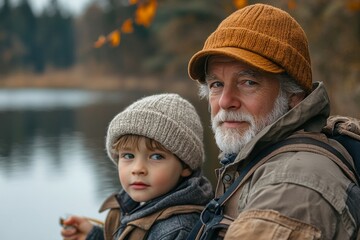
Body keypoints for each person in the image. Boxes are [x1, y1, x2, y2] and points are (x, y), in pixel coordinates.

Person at [187, 3, 359, 240]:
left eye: (248, 82)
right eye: (216, 85)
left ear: (294, 96)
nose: (226, 101)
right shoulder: (261, 162)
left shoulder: (292, 188)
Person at [60, 93, 213, 240]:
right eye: (128, 156)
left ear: (185, 166)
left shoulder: (177, 231)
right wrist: (94, 237)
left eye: (156, 156)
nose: (137, 169)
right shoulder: (136, 204)